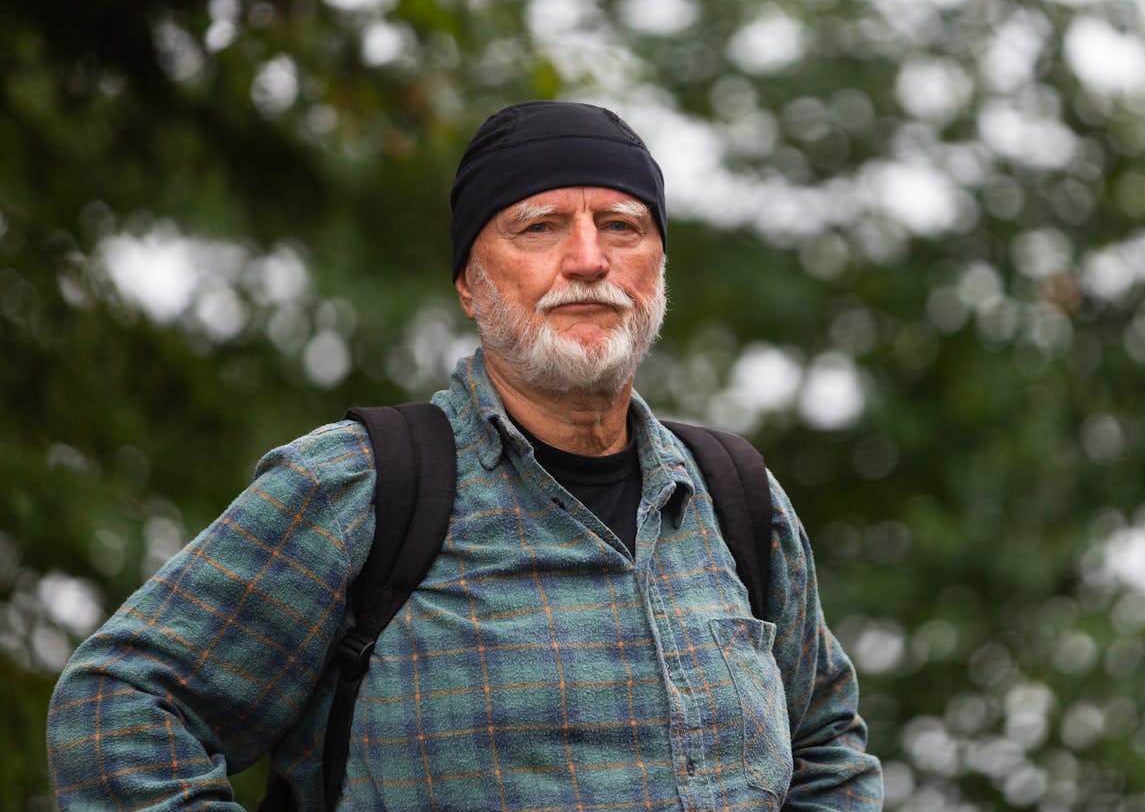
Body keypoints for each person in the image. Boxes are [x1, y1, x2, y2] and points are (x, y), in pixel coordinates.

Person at [47, 100, 883, 809]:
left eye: (622, 225)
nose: (588, 259)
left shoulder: (737, 499)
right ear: (469, 282)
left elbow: (826, 744)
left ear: (658, 265)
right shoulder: (360, 486)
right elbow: (118, 706)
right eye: (540, 226)